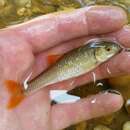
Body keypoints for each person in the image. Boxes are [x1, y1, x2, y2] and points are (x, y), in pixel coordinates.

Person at [0, 5, 129, 130]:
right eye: (107, 50)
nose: (110, 52)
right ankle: (23, 92)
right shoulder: (94, 58)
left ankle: (22, 92)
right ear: (98, 52)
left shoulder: (96, 57)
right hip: (60, 71)